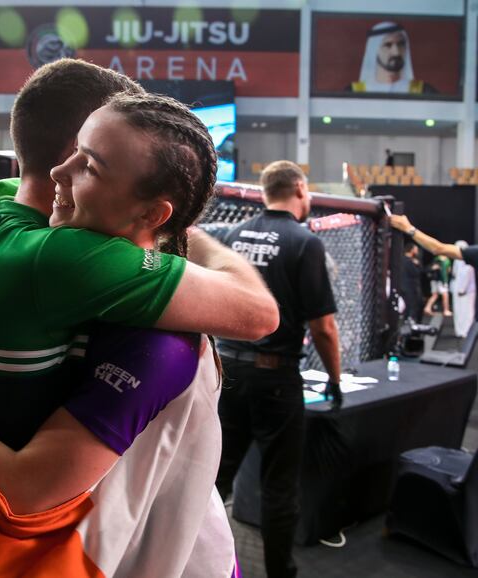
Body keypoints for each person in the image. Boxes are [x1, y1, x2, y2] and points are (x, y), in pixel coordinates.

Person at [0, 60, 275, 578]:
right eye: (77, 154)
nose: (59, 173)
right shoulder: (66, 258)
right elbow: (258, 313)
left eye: (88, 163)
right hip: (134, 548)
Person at [214, 160, 342, 578]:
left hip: (228, 368)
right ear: (300, 189)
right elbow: (322, 327)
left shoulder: (234, 234)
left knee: (215, 478)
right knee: (279, 486)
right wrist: (335, 380)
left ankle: (197, 564)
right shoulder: (304, 242)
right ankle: (279, 573)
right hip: (274, 377)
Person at [347, 21, 437, 94]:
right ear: (374, 50)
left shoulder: (423, 92)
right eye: (388, 45)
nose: (396, 52)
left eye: (401, 44)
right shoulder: (354, 92)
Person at [452, 241, 476, 338]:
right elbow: (455, 274)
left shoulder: (468, 260)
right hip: (457, 288)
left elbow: (467, 274)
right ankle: (460, 330)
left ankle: (467, 331)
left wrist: (463, 289)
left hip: (467, 291)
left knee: (468, 311)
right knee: (458, 311)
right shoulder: (457, 261)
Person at [399, 240, 424, 322]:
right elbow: (416, 273)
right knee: (412, 306)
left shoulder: (401, 260)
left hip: (403, 285)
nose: (417, 252)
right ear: (412, 250)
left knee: (408, 306)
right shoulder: (409, 261)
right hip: (411, 287)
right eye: (416, 249)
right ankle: (411, 323)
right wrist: (417, 265)